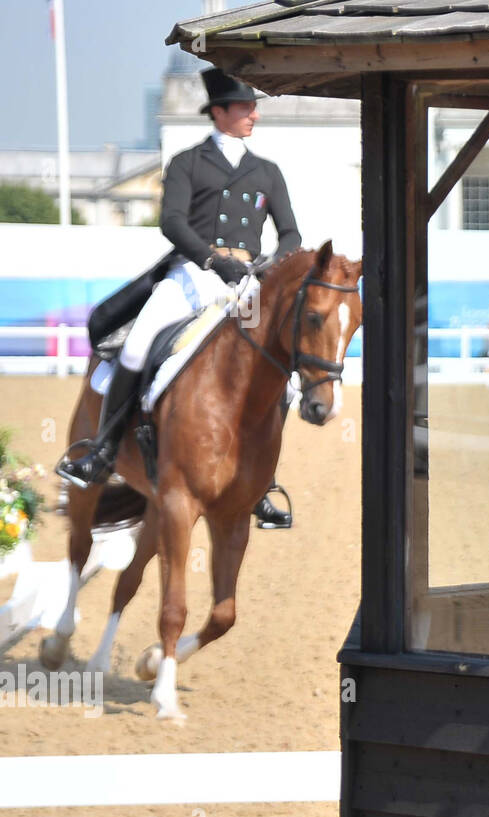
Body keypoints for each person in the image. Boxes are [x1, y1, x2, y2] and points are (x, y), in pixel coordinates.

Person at [57, 68, 302, 530]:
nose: (253, 114)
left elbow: (291, 232)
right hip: (193, 274)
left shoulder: (267, 172)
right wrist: (212, 260)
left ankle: (262, 481)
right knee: (134, 345)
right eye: (245, 107)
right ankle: (104, 450)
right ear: (219, 112)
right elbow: (172, 223)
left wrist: (271, 265)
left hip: (246, 283)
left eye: (253, 107)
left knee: (284, 382)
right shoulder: (188, 163)